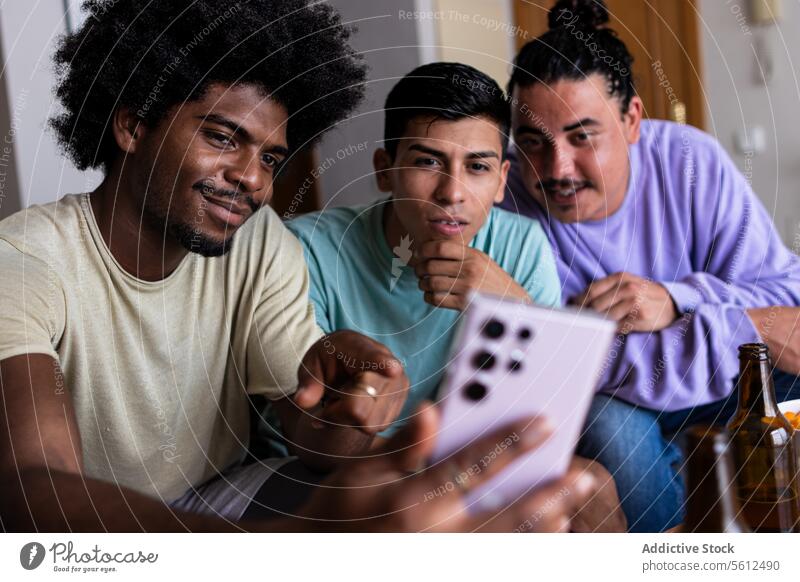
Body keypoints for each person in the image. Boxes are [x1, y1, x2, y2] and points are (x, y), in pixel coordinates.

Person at [0, 0, 600, 532]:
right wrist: (288, 545)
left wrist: (354, 402)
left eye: (271, 157)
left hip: (225, 494)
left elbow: (309, 432)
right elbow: (35, 485)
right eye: (221, 137)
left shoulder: (259, 241)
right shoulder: (25, 259)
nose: (253, 178)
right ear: (133, 124)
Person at [286, 62, 626, 532]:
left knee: (591, 486)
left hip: (468, 457)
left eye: (478, 167)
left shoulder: (521, 243)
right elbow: (311, 442)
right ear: (385, 172)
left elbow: (549, 417)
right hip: (344, 467)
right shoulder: (311, 248)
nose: (452, 193)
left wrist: (513, 308)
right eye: (427, 162)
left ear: (502, 180)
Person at [500, 0, 800, 532]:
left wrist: (677, 299)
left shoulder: (689, 160)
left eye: (582, 136)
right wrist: (739, 325)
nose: (557, 169)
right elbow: (566, 367)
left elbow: (787, 298)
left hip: (726, 379)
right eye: (533, 144)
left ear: (632, 120)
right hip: (621, 403)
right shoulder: (505, 205)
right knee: (605, 425)